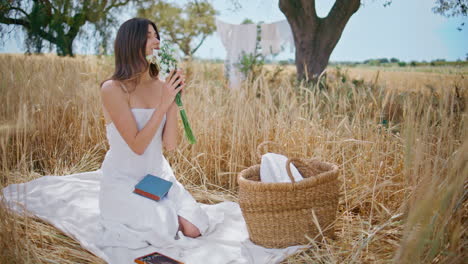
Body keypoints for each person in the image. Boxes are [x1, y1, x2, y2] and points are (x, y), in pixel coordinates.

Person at [98, 17, 209, 244]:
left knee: (196, 227)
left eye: (156, 35)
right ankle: (151, 210)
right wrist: (163, 104)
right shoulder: (113, 88)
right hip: (124, 179)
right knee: (164, 227)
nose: (156, 40)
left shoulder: (161, 85)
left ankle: (162, 207)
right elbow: (138, 146)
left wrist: (175, 100)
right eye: (148, 36)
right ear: (130, 42)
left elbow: (170, 145)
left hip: (157, 176)